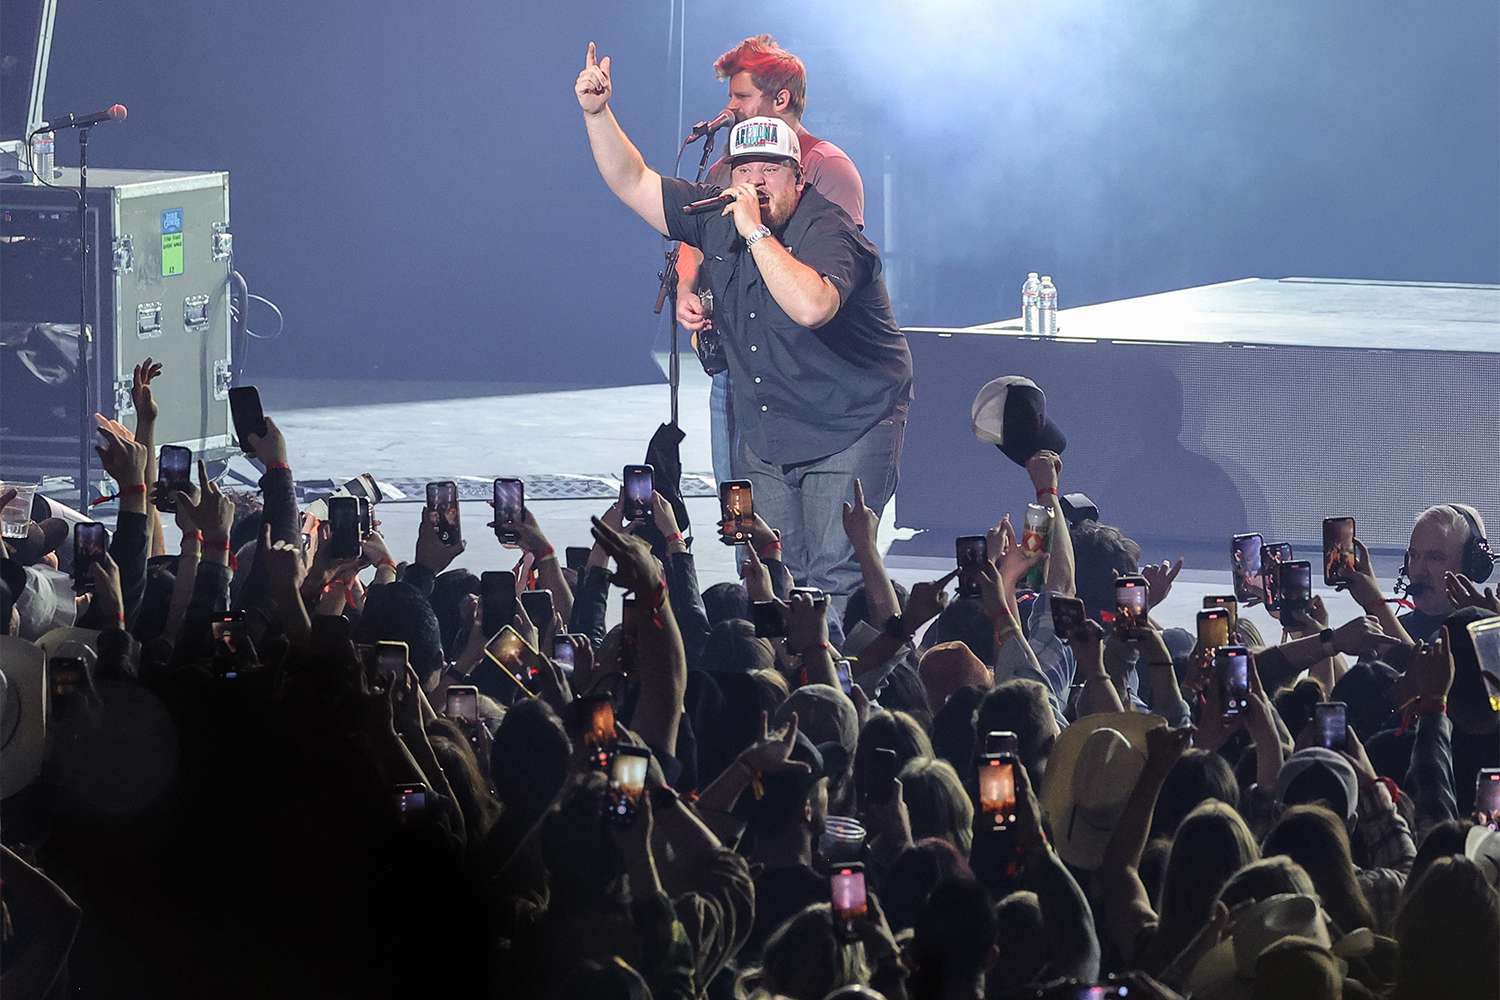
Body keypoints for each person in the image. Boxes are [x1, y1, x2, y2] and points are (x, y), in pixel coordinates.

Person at [575, 41, 912, 607]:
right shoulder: (719, 209)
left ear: (797, 175)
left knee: (833, 575)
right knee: (774, 574)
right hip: (770, 420)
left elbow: (811, 306)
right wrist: (597, 114)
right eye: (745, 168)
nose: (756, 181)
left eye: (771, 170)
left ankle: (848, 689)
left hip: (848, 418)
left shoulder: (826, 228)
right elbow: (634, 182)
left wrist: (754, 232)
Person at [674, 34, 867, 491]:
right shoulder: (728, 166)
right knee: (736, 504)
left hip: (799, 370)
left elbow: (835, 267)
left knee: (785, 517)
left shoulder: (827, 165)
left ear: (780, 98)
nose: (730, 107)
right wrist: (686, 288)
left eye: (741, 96)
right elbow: (695, 236)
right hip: (735, 360)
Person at [1398, 503, 1493, 641]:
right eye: (1414, 555)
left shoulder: (1487, 639)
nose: (1419, 571)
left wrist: (1375, 603)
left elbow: (1425, 662)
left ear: (1470, 565)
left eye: (1435, 558)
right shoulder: (1381, 633)